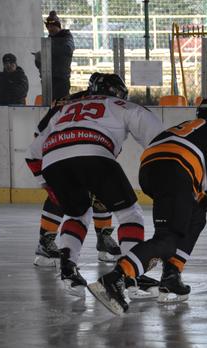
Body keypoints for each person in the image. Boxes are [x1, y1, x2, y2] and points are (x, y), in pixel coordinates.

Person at [87, 97, 207, 315]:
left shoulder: (187, 128)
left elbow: (198, 191)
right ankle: (114, 279)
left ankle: (172, 275)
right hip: (177, 169)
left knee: (196, 216)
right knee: (167, 240)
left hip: (152, 170)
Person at [26, 73, 163, 296]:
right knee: (130, 214)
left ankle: (68, 270)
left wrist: (45, 183)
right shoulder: (119, 104)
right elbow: (158, 136)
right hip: (94, 153)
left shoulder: (67, 107)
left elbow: (32, 152)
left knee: (77, 214)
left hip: (53, 160)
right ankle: (131, 277)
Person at [33, 10, 75, 101]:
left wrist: (48, 50)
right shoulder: (50, 39)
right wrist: (39, 58)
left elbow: (68, 49)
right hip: (47, 79)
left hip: (60, 79)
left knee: (60, 106)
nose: (50, 29)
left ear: (58, 26)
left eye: (52, 26)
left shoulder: (66, 37)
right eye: (48, 27)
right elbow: (42, 62)